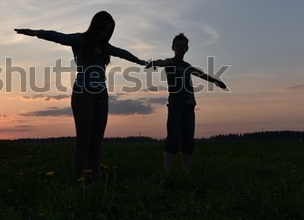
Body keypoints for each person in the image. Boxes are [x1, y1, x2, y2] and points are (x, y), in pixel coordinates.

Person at [15, 11, 146, 182]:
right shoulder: (80, 40)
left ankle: (94, 179)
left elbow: (122, 53)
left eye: (108, 31)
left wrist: (141, 62)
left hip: (101, 95)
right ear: (95, 26)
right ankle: (82, 181)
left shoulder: (106, 47)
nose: (105, 34)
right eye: (103, 29)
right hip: (83, 93)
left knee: (97, 141)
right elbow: (58, 36)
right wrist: (37, 33)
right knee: (84, 140)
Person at [147, 33, 227, 174]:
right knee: (173, 138)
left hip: (189, 106)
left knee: (188, 140)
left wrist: (216, 81)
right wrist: (153, 63)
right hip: (176, 105)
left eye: (183, 46)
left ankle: (186, 172)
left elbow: (201, 74)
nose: (181, 48)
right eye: (178, 45)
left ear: (187, 49)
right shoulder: (170, 62)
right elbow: (162, 62)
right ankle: (168, 173)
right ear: (173, 47)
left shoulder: (188, 66)